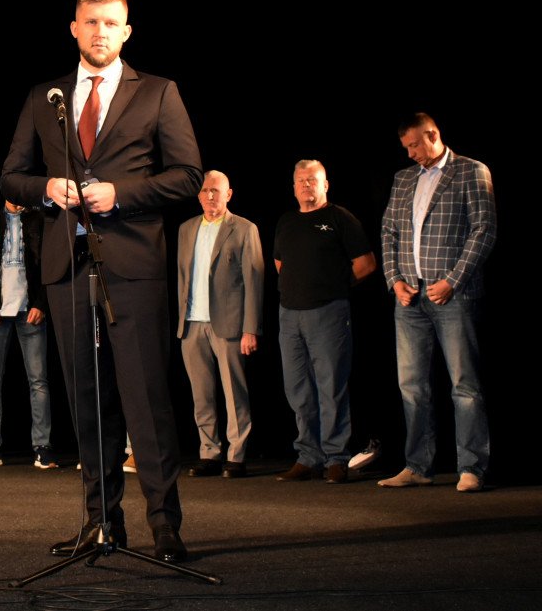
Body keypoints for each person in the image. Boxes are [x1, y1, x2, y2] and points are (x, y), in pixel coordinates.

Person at [1, 0, 202, 563]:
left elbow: (188, 174)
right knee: (87, 401)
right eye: (91, 22)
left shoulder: (158, 92)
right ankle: (101, 523)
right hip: (68, 267)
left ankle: (165, 525)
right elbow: (11, 175)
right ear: (74, 28)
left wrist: (123, 194)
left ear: (127, 31)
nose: (101, 32)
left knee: (146, 399)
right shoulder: (46, 97)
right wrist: (47, 188)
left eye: (111, 23)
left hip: (133, 266)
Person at [378, 113, 496, 493]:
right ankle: (417, 466)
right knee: (412, 386)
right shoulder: (403, 178)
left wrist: (452, 281)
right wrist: (394, 280)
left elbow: (483, 230)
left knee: (464, 385)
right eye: (406, 148)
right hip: (409, 298)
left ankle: (472, 468)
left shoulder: (470, 171)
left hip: (453, 295)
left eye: (414, 145)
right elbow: (388, 231)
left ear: (432, 135)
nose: (410, 153)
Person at [273, 160, 377, 485]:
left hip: (328, 313)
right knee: (298, 388)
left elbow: (366, 263)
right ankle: (309, 457)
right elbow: (279, 263)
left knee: (330, 386)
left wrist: (333, 286)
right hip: (290, 315)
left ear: (325, 184)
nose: (306, 185)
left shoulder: (339, 218)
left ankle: (336, 457)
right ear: (293, 187)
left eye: (312, 179)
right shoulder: (287, 221)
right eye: (301, 180)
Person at [175, 170, 263, 479]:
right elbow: (182, 277)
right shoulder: (186, 229)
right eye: (205, 190)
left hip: (228, 324)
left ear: (228, 194)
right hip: (191, 323)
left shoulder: (244, 229)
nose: (210, 195)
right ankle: (208, 452)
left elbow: (254, 281)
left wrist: (250, 328)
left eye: (216, 190)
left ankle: (236, 455)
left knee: (233, 392)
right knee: (202, 394)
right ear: (198, 195)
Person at [0, 199, 55, 469]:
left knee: (38, 381)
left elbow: (50, 265)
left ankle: (42, 446)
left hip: (29, 310)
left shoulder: (39, 220)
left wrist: (41, 304)